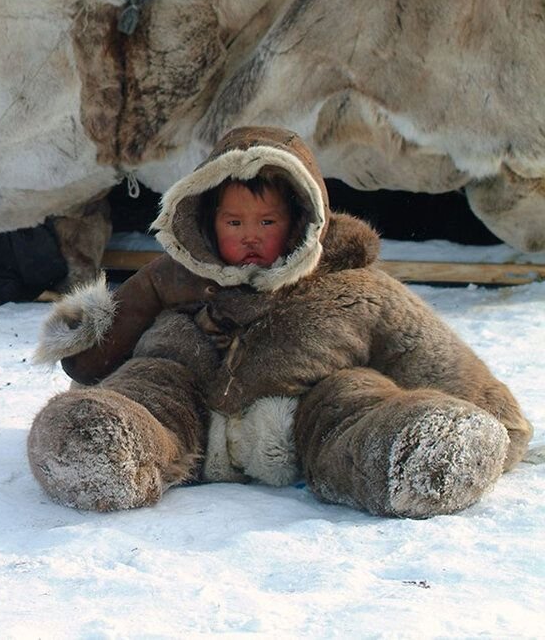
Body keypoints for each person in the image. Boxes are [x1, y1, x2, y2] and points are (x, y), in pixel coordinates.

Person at [29, 126, 532, 518]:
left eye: (267, 223)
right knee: (145, 380)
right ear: (204, 220)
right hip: (184, 407)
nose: (250, 236)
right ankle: (102, 449)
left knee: (354, 392)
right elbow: (93, 363)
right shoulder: (174, 276)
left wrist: (499, 416)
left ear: (302, 219)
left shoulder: (353, 287)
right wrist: (134, 300)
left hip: (303, 420)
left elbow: (422, 347)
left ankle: (411, 452)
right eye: (234, 223)